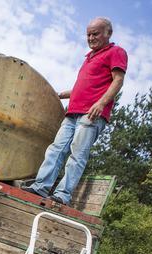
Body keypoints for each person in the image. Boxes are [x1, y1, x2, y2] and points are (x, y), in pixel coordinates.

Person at [22, 17, 128, 205]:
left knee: (77, 154)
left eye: (95, 33)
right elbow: (83, 87)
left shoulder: (116, 52)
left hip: (92, 114)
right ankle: (41, 187)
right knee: (56, 149)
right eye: (88, 34)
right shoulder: (89, 58)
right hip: (72, 113)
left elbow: (117, 80)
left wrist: (101, 104)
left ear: (108, 33)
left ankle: (63, 194)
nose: (91, 38)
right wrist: (62, 94)